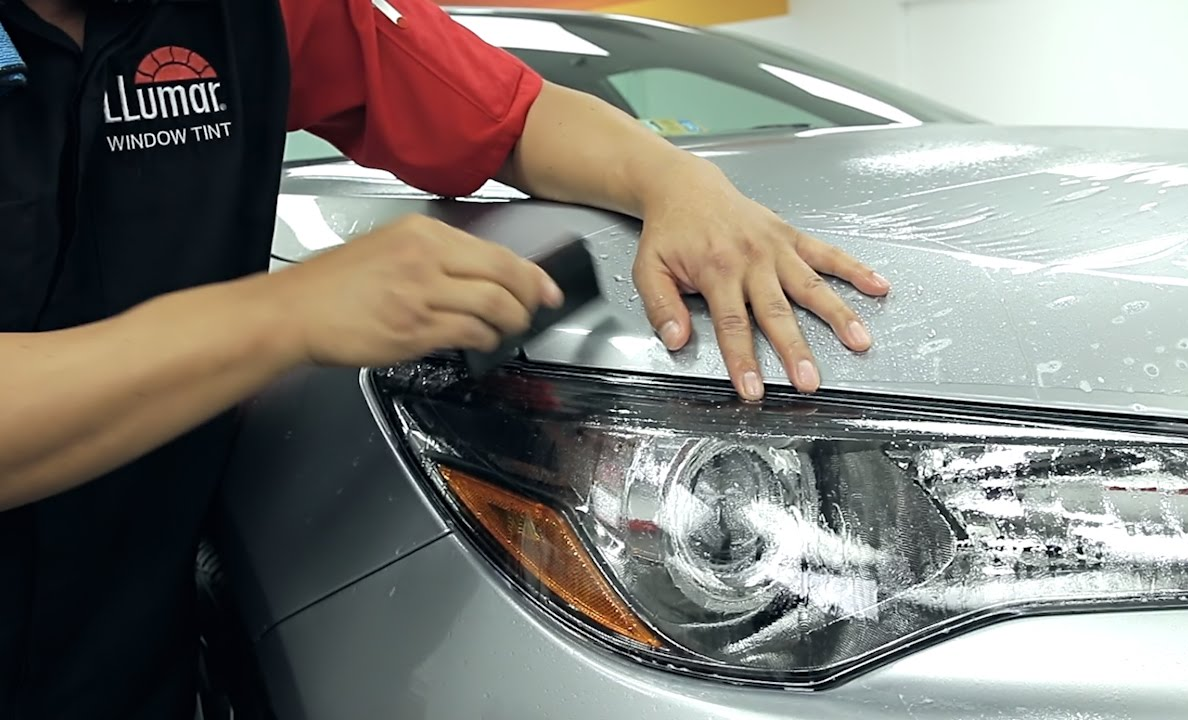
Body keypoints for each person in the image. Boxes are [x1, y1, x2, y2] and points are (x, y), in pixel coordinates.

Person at [0, 0, 890, 716]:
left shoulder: (263, 17)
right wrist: (281, 315)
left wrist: (679, 183)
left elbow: (515, 116)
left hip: (122, 644)